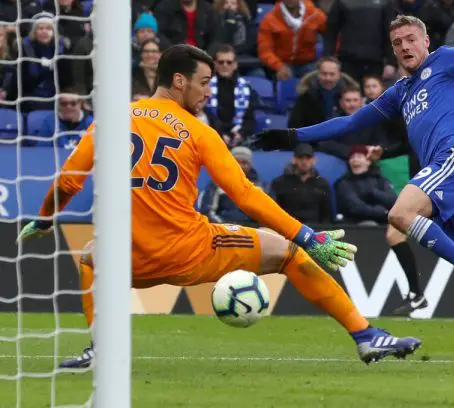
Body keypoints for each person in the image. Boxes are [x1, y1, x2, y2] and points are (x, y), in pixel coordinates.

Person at [16, 44, 420, 368]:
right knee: (288, 253)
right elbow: (244, 194)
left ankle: (101, 349)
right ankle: (366, 336)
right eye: (204, 82)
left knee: (91, 258)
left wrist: (46, 218)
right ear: (179, 81)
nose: (208, 91)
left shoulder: (110, 119)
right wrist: (306, 236)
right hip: (190, 250)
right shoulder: (198, 131)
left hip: (131, 259)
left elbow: (69, 180)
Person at [256, 14, 454, 351]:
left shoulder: (446, 59)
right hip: (452, 176)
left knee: (400, 215)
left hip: (453, 159)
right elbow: (350, 123)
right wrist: (293, 135)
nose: (405, 47)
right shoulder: (400, 91)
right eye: (397, 43)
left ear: (426, 41)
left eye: (411, 39)